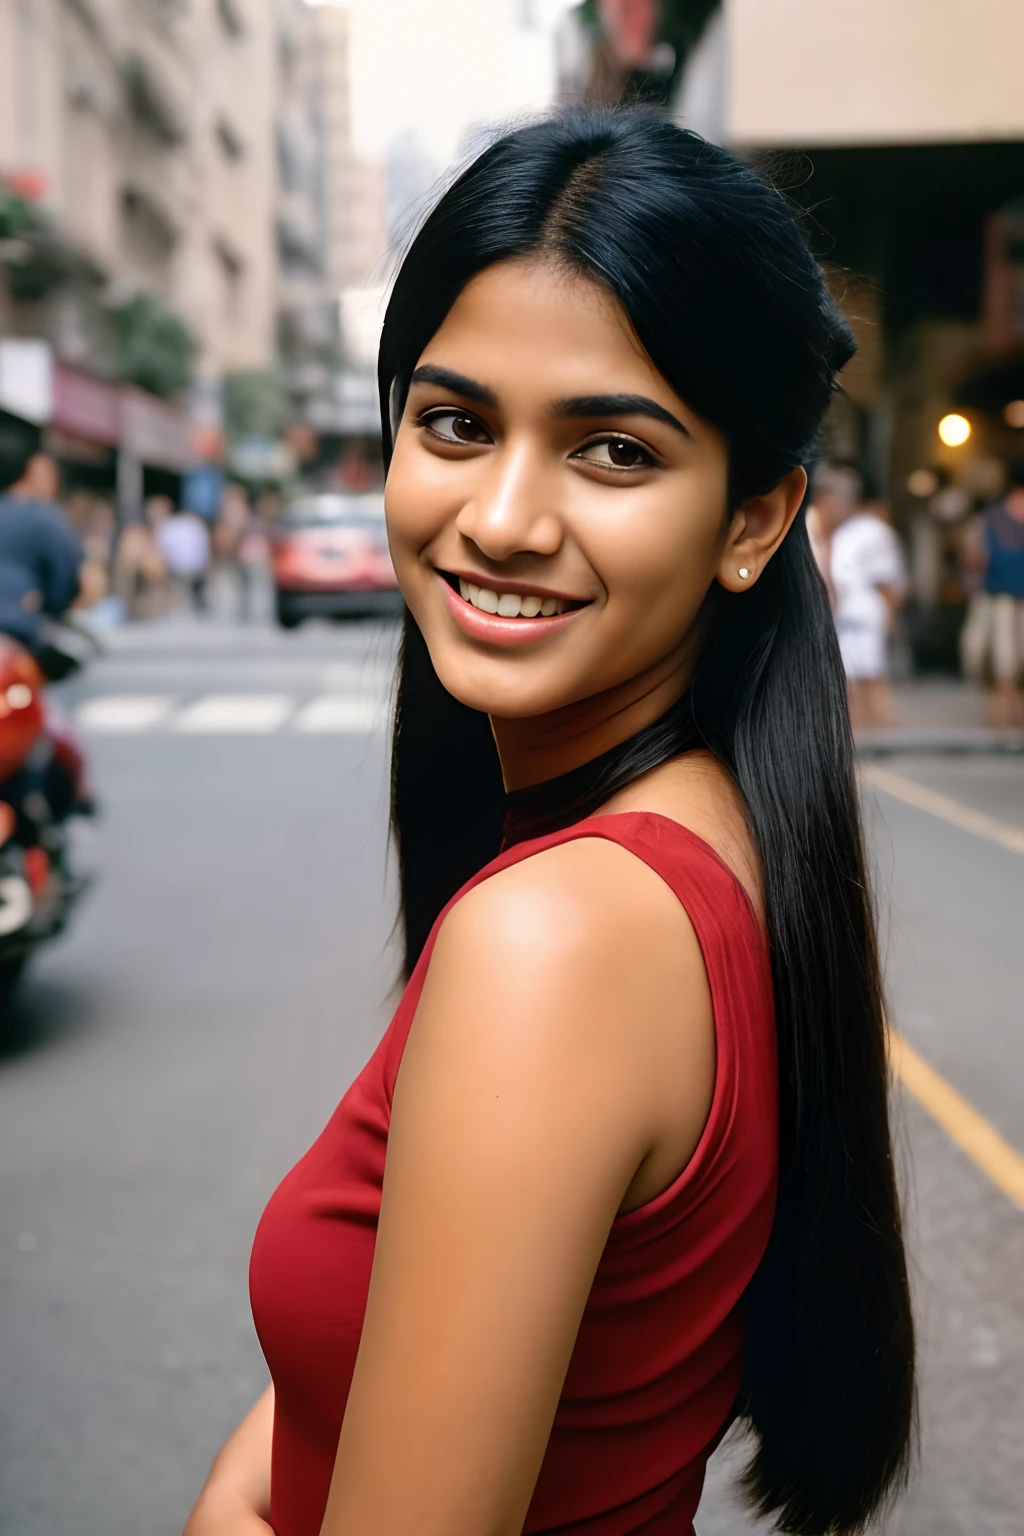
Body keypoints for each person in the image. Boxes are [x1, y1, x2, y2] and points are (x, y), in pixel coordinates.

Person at [186, 110, 915, 1536]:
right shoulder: (716, 834)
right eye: (455, 423)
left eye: (614, 452)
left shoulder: (556, 939)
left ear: (754, 519)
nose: (504, 517)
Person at [812, 463, 907, 729]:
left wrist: (889, 617)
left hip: (865, 618)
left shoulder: (872, 531)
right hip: (839, 618)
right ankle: (858, 737)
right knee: (845, 681)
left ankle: (882, 732)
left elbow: (888, 581)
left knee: (872, 677)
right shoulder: (826, 529)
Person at [0, 421, 82, 651]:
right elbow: (66, 580)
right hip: (18, 630)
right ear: (28, 471)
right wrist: (47, 605)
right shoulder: (44, 518)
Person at [961, 463, 1024, 728]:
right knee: (1002, 661)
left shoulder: (989, 517)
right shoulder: (990, 518)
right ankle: (1001, 720)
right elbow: (974, 558)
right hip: (998, 596)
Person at [154, 496, 211, 614]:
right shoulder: (195, 523)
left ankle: (163, 603)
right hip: (197, 568)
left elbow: (162, 552)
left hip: (176, 568)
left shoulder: (167, 526)